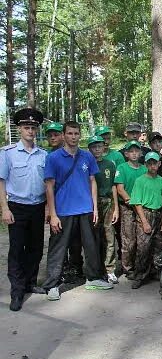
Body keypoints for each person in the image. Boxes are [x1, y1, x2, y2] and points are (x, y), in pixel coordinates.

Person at [43, 121, 113, 301]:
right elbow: (49, 187)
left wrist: (95, 207)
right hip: (63, 211)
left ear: (79, 135)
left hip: (86, 209)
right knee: (58, 248)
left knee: (91, 245)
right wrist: (53, 214)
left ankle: (93, 277)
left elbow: (93, 181)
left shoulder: (87, 156)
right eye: (70, 133)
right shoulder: (53, 158)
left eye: (76, 133)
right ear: (64, 135)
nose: (73, 137)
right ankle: (52, 285)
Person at [1, 108, 47, 311]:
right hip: (17, 207)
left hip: (38, 206)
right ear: (19, 129)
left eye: (33, 127)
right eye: (26, 127)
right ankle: (17, 291)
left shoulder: (43, 155)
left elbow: (47, 184)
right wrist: (4, 208)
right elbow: (1, 182)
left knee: (36, 248)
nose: (30, 130)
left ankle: (30, 282)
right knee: (17, 250)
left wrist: (47, 209)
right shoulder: (8, 154)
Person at [128, 152, 162, 289]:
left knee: (158, 245)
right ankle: (139, 275)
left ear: (159, 164)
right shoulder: (140, 180)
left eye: (155, 163)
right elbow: (136, 203)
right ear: (146, 165)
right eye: (149, 163)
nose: (152, 165)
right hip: (145, 213)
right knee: (143, 247)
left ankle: (156, 272)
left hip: (158, 214)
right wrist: (144, 221)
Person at [87, 135, 120, 284]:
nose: (97, 149)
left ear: (103, 147)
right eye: (94, 147)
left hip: (108, 202)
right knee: (93, 236)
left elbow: (113, 186)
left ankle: (110, 269)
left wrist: (116, 208)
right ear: (89, 149)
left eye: (99, 146)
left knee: (109, 236)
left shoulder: (109, 164)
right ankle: (95, 268)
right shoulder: (86, 164)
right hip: (91, 204)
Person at [114, 141, 147, 277]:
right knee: (128, 238)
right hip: (127, 207)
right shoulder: (121, 168)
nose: (134, 154)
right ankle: (127, 267)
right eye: (131, 151)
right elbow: (120, 189)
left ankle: (141, 266)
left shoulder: (144, 169)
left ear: (140, 153)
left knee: (141, 239)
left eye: (136, 151)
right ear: (126, 154)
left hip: (142, 207)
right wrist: (132, 202)